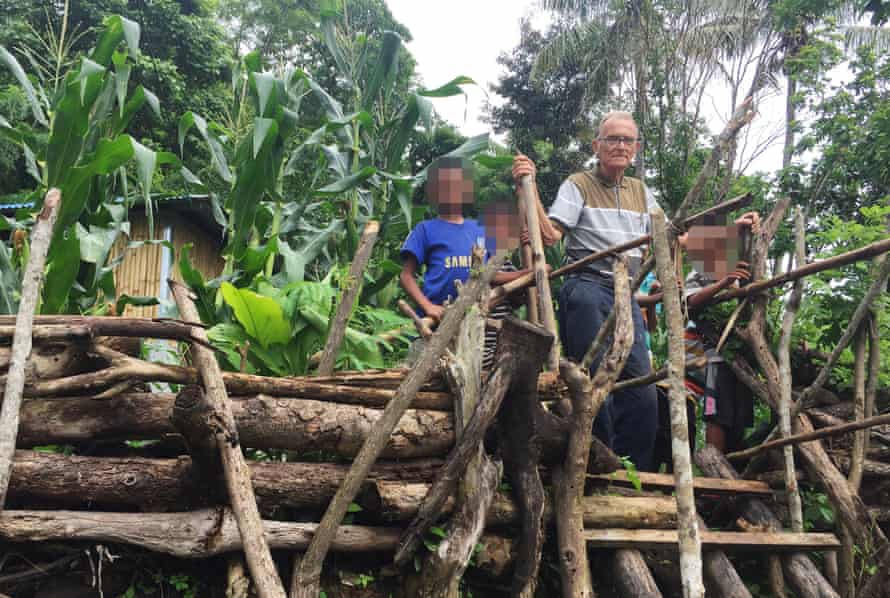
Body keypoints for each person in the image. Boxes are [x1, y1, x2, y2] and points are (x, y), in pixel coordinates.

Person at [512, 111, 660, 472]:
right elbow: (551, 235)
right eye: (612, 139)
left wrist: (731, 231)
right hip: (588, 287)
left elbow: (670, 235)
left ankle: (633, 474)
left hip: (626, 296)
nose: (620, 146)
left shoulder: (641, 191)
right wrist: (525, 189)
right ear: (597, 146)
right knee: (593, 384)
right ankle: (598, 466)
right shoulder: (578, 184)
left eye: (627, 140)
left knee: (642, 391)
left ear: (636, 148)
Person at [400, 157, 528, 362]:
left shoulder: (480, 229)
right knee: (428, 372)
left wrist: (527, 274)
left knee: (470, 372)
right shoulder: (425, 229)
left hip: (472, 319)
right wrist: (428, 307)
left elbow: (492, 274)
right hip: (437, 320)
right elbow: (406, 276)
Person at [679, 212, 760, 453]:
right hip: (711, 351)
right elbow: (690, 303)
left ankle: (731, 468)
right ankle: (715, 474)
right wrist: (723, 283)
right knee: (718, 411)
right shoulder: (704, 270)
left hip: (739, 352)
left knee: (738, 413)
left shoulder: (744, 273)